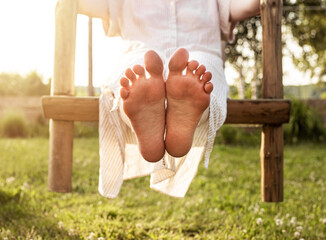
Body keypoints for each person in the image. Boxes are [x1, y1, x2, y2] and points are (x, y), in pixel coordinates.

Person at [78, 0, 260, 198]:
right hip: (148, 58)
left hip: (186, 61)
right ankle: (146, 114)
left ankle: (187, 113)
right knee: (134, 78)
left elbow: (248, 4)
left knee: (197, 76)